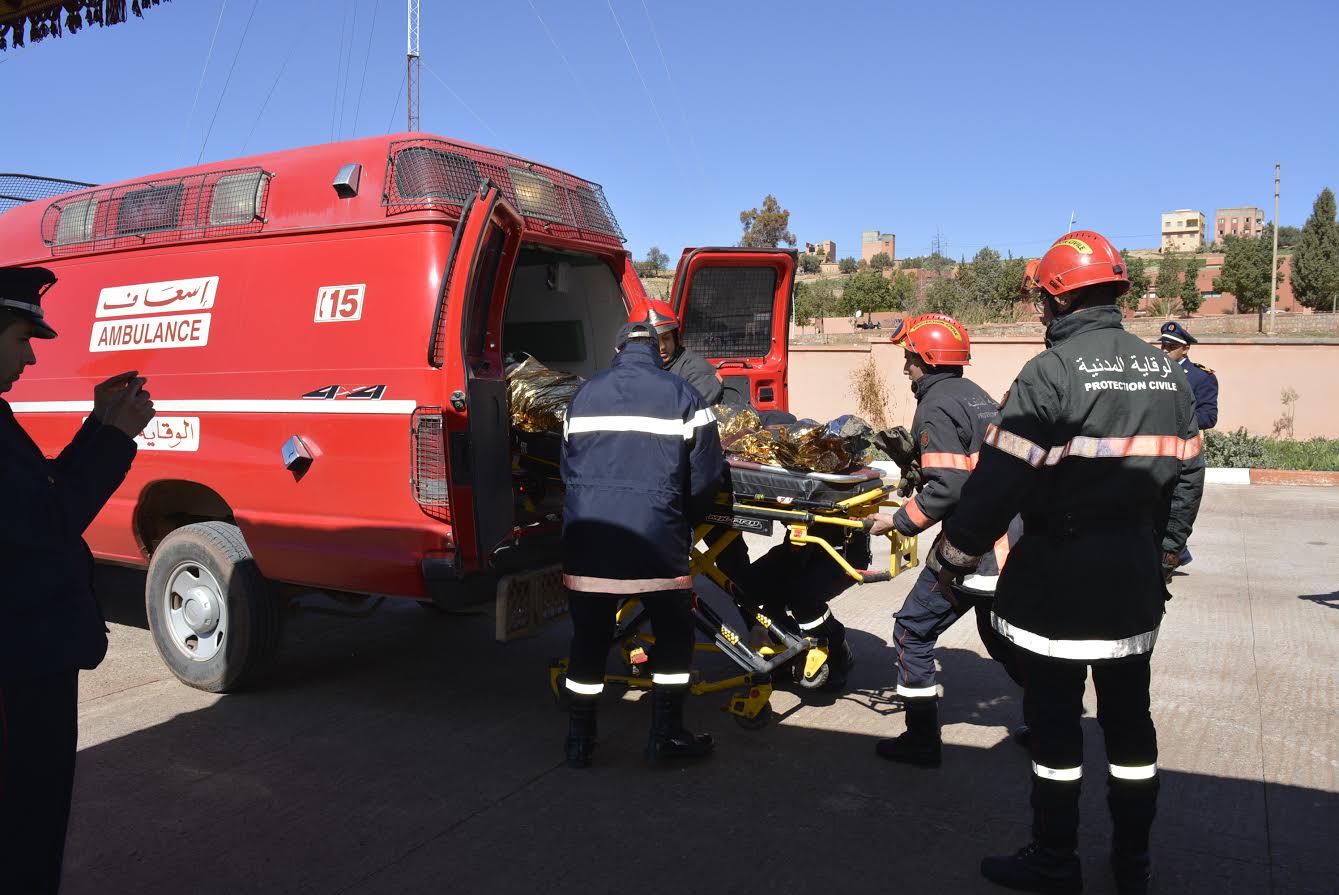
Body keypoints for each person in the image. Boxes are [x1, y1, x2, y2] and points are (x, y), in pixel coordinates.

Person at [932, 232, 1204, 894]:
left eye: (1039, 301)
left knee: (1056, 736)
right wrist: (1164, 549)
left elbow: (997, 482)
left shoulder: (1049, 373)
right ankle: (1133, 863)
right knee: (1129, 727)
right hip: (1132, 578)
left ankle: (1055, 859)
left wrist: (954, 553)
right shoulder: (1165, 372)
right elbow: (1189, 474)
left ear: (1056, 298)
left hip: (1057, 579)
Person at [0, 266, 156, 894]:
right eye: (19, 338)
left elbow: (40, 497)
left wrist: (99, 429)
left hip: (27, 657)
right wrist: (114, 437)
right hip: (16, 667)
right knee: (23, 824)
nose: (30, 357)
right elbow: (47, 520)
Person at [559, 322, 725, 768]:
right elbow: (707, 475)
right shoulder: (683, 395)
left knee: (589, 638)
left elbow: (567, 468)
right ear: (658, 351)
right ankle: (665, 737)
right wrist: (679, 518)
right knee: (673, 637)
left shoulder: (582, 396)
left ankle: (579, 741)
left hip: (588, 539)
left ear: (616, 349)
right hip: (655, 541)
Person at [871, 314, 1024, 769]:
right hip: (1008, 544)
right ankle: (1050, 718)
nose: (906, 369)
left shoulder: (935, 405)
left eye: (910, 359)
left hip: (972, 550)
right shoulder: (975, 396)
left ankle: (920, 740)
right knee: (1002, 640)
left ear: (927, 359)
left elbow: (949, 488)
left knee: (912, 630)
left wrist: (898, 521)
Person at [1156, 321, 1216, 567]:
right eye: (1163, 344)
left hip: (1182, 450)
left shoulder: (1202, 377)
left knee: (1176, 502)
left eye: (1171, 346)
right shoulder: (1152, 373)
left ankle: (1175, 552)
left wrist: (1177, 420)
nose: (1164, 350)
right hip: (1155, 448)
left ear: (1186, 349)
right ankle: (1173, 552)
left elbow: (1209, 417)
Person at [628, 299, 725, 406]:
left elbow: (687, 412)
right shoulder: (635, 369)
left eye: (666, 338)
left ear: (675, 338)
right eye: (654, 340)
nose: (662, 347)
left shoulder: (697, 371)